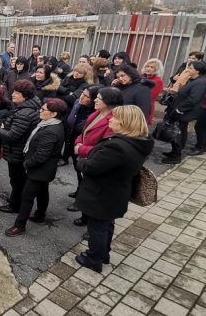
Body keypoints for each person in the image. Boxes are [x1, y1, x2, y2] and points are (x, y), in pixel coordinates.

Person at [75, 105, 154, 273]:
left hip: (102, 193)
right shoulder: (138, 142)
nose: (110, 119)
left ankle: (93, 258)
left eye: (115, 118)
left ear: (125, 123)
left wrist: (81, 161)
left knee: (97, 227)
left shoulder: (118, 147)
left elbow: (92, 167)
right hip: (116, 191)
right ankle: (103, 254)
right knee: (106, 225)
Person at [5, 98, 67, 236]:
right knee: (42, 191)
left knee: (27, 197)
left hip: (40, 170)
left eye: (44, 110)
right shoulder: (50, 124)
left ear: (54, 114)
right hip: (44, 170)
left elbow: (41, 156)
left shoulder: (50, 131)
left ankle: (19, 225)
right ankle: (40, 215)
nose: (40, 110)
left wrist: (26, 164)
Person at [69, 87, 125, 220]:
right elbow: (85, 131)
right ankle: (84, 215)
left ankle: (88, 220)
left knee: (93, 193)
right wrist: (78, 142)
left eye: (99, 98)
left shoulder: (113, 121)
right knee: (84, 186)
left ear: (109, 102)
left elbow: (105, 149)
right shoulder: (97, 113)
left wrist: (81, 149)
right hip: (84, 156)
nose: (95, 100)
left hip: (94, 160)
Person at [0, 80, 42, 214]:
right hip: (21, 150)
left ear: (26, 96)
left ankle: (15, 205)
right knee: (19, 180)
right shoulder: (29, 105)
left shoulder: (24, 113)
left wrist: (1, 129)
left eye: (17, 93)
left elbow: (12, 135)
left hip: (17, 152)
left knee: (17, 181)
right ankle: (17, 201)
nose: (13, 94)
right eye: (14, 91)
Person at [162, 61, 206, 165]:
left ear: (197, 71)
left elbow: (193, 99)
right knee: (178, 131)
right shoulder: (193, 80)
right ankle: (174, 151)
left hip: (185, 112)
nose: (188, 69)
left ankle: (176, 156)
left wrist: (180, 109)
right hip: (180, 110)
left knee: (179, 132)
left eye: (191, 68)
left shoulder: (201, 82)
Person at [65, 84, 101, 196]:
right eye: (82, 93)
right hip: (73, 141)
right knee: (77, 169)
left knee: (83, 172)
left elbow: (82, 128)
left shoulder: (95, 113)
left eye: (86, 96)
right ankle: (79, 191)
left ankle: (81, 195)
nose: (81, 97)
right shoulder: (78, 103)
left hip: (84, 146)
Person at [141, 58, 165, 125]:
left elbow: (150, 96)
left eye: (152, 67)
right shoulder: (141, 77)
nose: (148, 69)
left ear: (156, 70)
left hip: (146, 106)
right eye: (147, 66)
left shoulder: (158, 81)